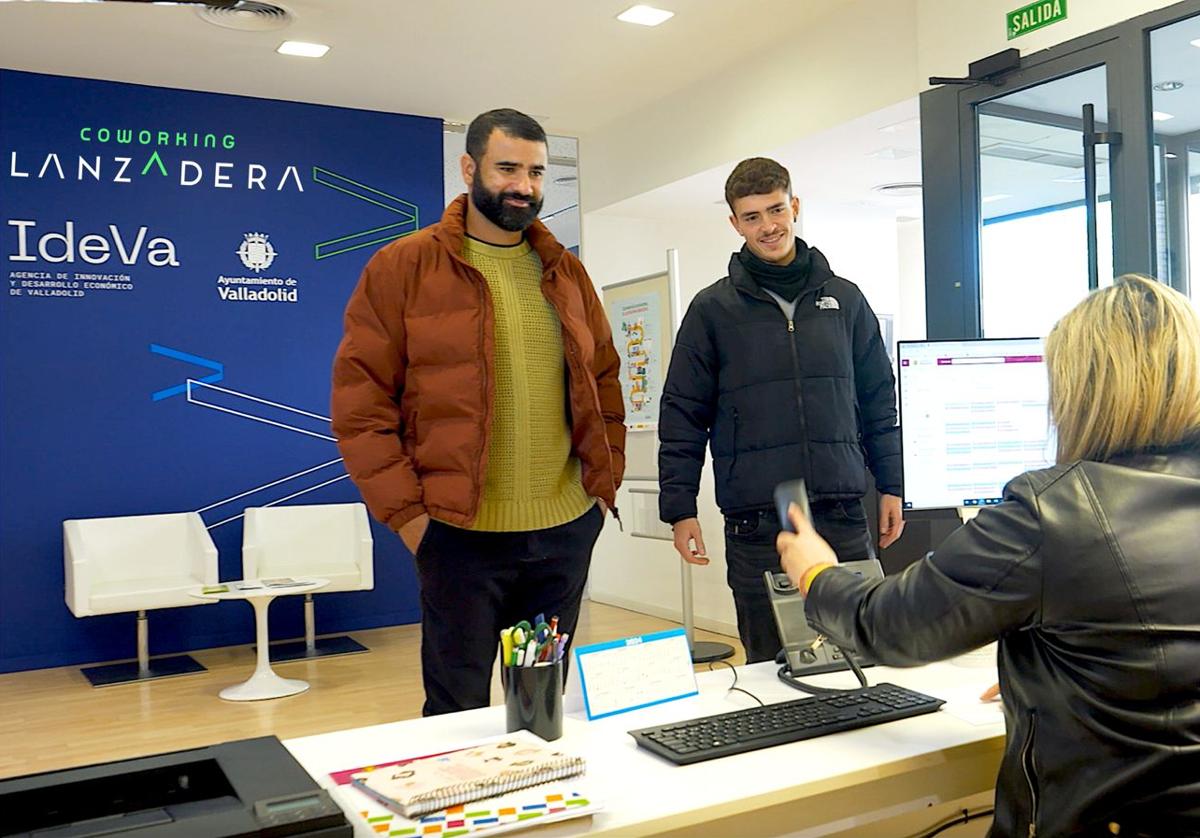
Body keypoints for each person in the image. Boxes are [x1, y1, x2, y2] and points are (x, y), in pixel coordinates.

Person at [777, 274, 1200, 837]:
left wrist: (815, 572)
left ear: (1084, 390)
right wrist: (1073, 672)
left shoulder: (1055, 510)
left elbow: (893, 625)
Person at [331, 108, 625, 716]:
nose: (524, 185)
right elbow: (361, 407)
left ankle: (543, 806)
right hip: (459, 537)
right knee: (454, 711)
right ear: (469, 169)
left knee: (539, 708)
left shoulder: (566, 271)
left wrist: (602, 490)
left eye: (537, 172)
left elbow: (604, 381)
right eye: (508, 168)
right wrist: (411, 518)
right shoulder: (402, 267)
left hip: (563, 530)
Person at [657, 156, 904, 664]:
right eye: (752, 217)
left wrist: (893, 484)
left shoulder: (846, 301)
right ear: (734, 224)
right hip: (756, 523)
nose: (768, 226)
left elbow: (880, 399)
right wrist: (679, 508)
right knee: (771, 666)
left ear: (795, 206)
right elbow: (682, 412)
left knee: (862, 656)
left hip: (841, 512)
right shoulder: (712, 310)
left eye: (775, 210)